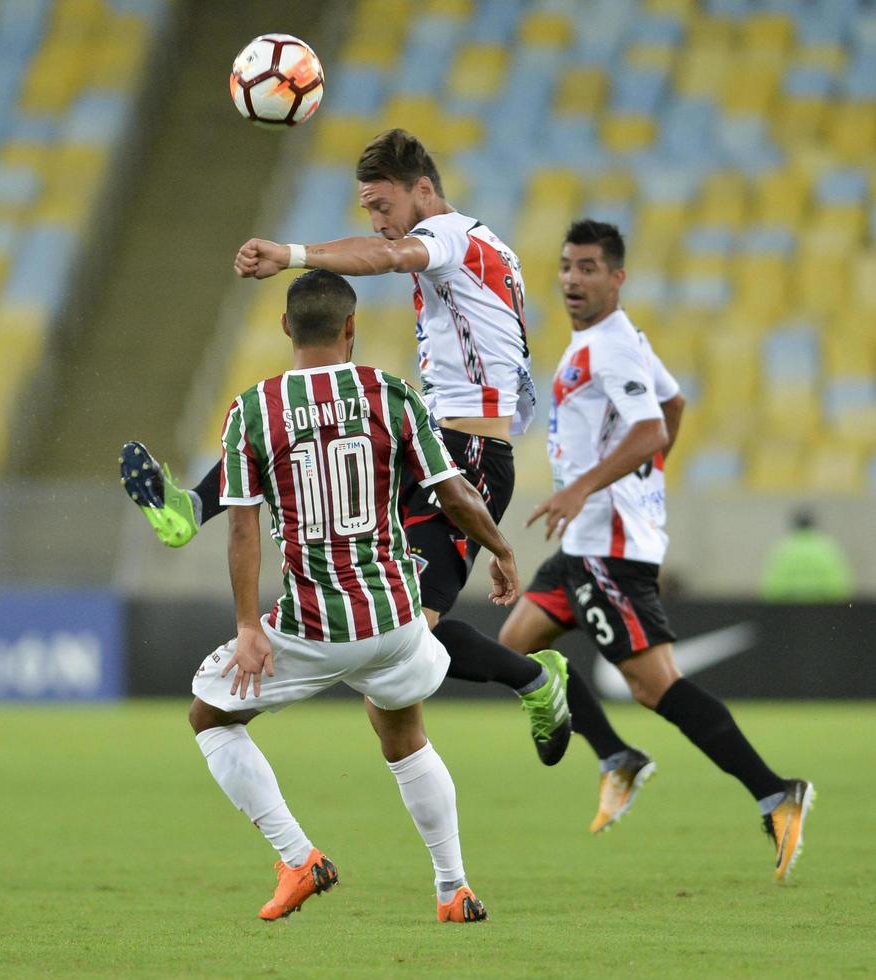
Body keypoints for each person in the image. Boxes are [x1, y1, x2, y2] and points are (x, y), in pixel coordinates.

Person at [124, 129, 571, 764]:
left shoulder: (453, 238)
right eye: (368, 208)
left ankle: (535, 679)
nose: (377, 222)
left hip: (471, 455)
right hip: (443, 435)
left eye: (382, 206)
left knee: (406, 627)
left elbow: (387, 259)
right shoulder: (477, 247)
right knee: (313, 423)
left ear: (423, 191)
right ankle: (191, 507)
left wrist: (294, 253)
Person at [188, 269, 524, 924]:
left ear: (287, 328)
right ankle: (453, 889)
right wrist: (503, 550)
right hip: (398, 614)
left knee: (209, 717)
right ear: (351, 327)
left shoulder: (252, 409)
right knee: (402, 731)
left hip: (313, 623)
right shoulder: (389, 393)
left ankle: (297, 857)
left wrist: (249, 625)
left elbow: (241, 527)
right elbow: (454, 491)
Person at [496, 221, 812, 878]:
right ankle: (616, 756)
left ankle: (776, 792)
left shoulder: (611, 347)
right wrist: (643, 477)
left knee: (655, 687)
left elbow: (647, 429)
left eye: (588, 268)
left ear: (617, 278)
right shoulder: (615, 340)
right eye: (565, 267)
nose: (572, 280)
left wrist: (590, 488)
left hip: (608, 549)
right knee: (515, 646)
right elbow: (672, 403)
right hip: (585, 544)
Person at [758, 509, 855, 602]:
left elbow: (771, 591)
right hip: (824, 613)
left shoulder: (784, 550)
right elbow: (841, 590)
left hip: (789, 614)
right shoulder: (827, 549)